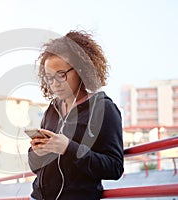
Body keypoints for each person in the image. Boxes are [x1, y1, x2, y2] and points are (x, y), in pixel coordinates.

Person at [28, 30, 124, 200]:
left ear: (80, 70)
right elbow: (36, 168)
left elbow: (114, 167)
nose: (54, 84)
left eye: (61, 75)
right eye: (49, 78)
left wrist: (68, 148)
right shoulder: (52, 110)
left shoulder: (103, 109)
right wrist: (37, 153)